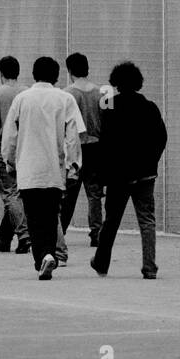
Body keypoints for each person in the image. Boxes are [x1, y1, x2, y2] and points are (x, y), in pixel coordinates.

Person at [2, 56, 84, 280]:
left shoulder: (22, 99)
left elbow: (10, 135)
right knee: (51, 215)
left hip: (28, 168)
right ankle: (49, 253)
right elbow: (72, 138)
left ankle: (42, 257)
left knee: (33, 216)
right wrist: (73, 166)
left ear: (34, 74)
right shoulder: (65, 99)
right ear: (57, 76)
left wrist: (9, 161)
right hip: (54, 170)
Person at [91, 61, 166, 279]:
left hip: (118, 174)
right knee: (147, 220)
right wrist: (152, 161)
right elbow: (161, 138)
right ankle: (149, 267)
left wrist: (101, 173)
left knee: (111, 219)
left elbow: (104, 142)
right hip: (145, 173)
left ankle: (102, 263)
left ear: (116, 82)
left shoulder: (109, 106)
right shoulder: (150, 107)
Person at [0, 56, 30, 254]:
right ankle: (4, 237)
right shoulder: (27, 92)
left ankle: (24, 235)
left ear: (1, 73)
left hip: (3, 147)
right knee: (18, 194)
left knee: (10, 193)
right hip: (26, 146)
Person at [62, 52, 105, 249]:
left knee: (69, 192)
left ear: (70, 70)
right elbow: (108, 122)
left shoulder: (67, 93)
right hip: (97, 147)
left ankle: (60, 231)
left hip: (76, 146)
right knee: (94, 194)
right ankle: (97, 232)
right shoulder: (103, 92)